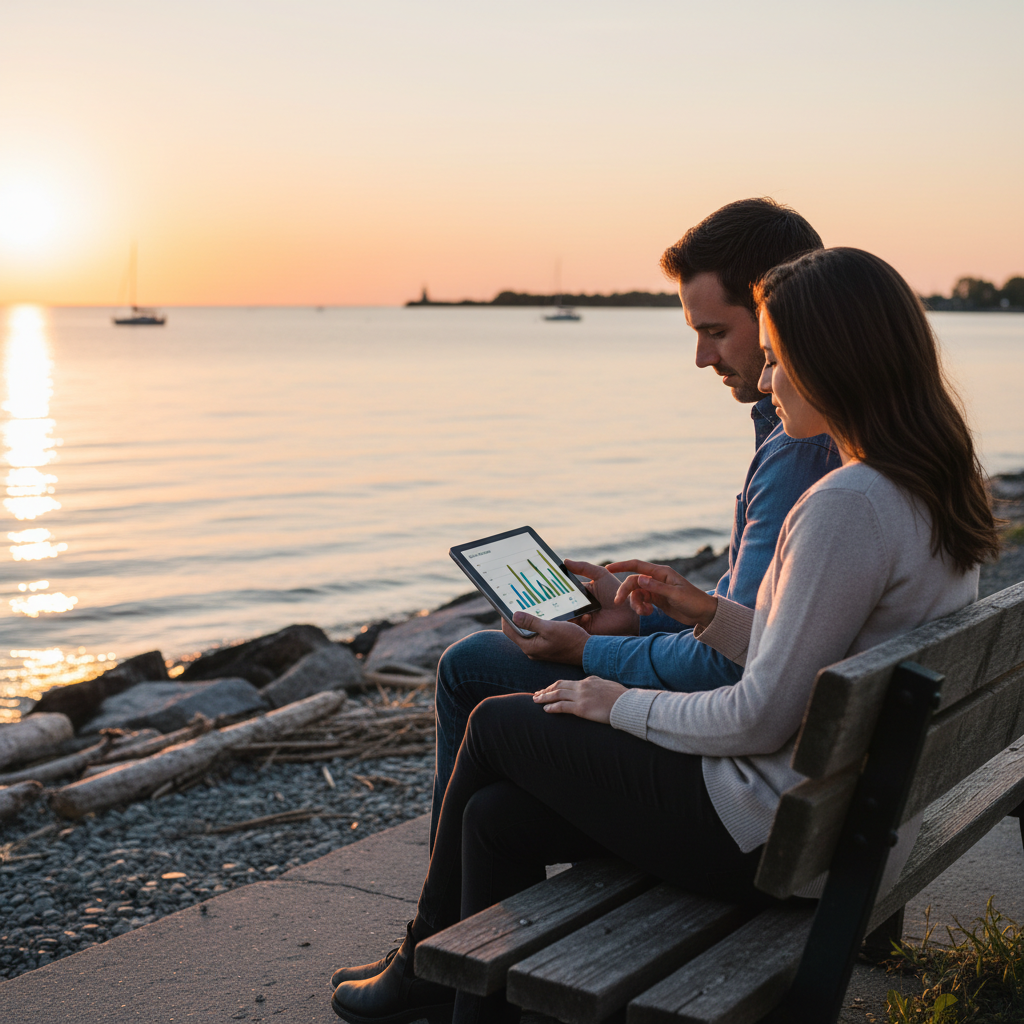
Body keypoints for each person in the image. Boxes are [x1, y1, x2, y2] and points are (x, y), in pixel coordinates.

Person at [330, 247, 998, 1024]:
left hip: (770, 838)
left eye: (778, 359)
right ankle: (453, 988)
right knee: (494, 818)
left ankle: (424, 961)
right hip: (836, 827)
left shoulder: (845, 504)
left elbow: (761, 716)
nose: (769, 379)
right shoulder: (926, 484)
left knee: (497, 720)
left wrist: (613, 702)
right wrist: (707, 613)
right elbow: (814, 660)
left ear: (830, 361)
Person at [428, 199, 840, 854]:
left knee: (472, 665)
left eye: (715, 331)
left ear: (774, 318)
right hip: (809, 763)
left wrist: (584, 651)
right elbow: (763, 626)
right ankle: (444, 933)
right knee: (497, 808)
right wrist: (645, 616)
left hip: (755, 783)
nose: (701, 357)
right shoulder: (821, 438)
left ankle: (428, 939)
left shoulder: (802, 450)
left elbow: (730, 673)